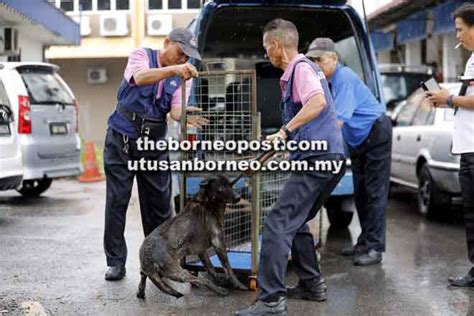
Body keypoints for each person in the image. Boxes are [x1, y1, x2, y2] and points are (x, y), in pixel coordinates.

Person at [235, 19, 346, 316]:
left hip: (318, 160)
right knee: (297, 222)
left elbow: (317, 102)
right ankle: (312, 285)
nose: (266, 53)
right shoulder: (298, 71)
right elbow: (298, 128)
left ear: (275, 45)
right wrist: (259, 162)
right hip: (330, 159)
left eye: (265, 47)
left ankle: (271, 300)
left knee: (276, 223)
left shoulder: (300, 68)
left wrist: (284, 132)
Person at [103, 27, 205, 281]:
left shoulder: (184, 76)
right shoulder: (141, 56)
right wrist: (173, 70)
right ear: (166, 42)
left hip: (153, 144)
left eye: (187, 57)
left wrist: (187, 115)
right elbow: (139, 77)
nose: (184, 60)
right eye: (181, 53)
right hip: (122, 139)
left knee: (159, 207)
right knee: (118, 202)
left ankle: (160, 260)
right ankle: (116, 262)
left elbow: (176, 111)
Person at [306, 38, 392, 266]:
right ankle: (363, 243)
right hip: (358, 139)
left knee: (375, 193)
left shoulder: (343, 77)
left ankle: (375, 248)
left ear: (334, 58)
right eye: (311, 60)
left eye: (320, 59)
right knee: (361, 193)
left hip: (375, 134)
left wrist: (308, 145)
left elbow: (337, 122)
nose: (316, 64)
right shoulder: (325, 82)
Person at [426, 3, 474, 287]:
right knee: (470, 213)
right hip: (467, 146)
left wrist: (450, 100)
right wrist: (446, 97)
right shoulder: (471, 60)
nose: (457, 36)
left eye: (459, 29)